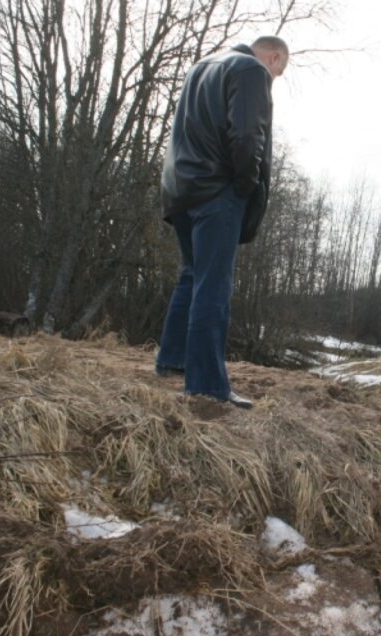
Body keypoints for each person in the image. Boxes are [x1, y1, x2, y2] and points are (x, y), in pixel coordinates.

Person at [155, 36, 289, 409]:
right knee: (213, 285)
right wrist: (246, 186)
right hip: (217, 190)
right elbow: (247, 135)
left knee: (192, 275)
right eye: (278, 72)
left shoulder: (201, 67)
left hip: (180, 188)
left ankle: (173, 359)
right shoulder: (250, 70)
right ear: (273, 57)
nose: (273, 79)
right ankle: (208, 387)